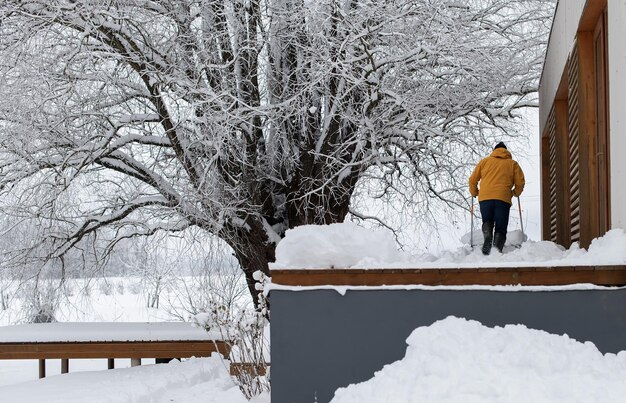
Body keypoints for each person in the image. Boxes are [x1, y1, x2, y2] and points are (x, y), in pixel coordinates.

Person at [468, 142, 525, 254]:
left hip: (485, 198)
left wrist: (475, 192)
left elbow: (472, 180)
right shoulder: (513, 164)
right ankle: (496, 251)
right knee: (501, 226)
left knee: (487, 221)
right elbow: (520, 182)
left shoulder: (484, 162)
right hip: (503, 198)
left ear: (494, 151)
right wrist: (515, 193)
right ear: (506, 151)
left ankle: (488, 236)